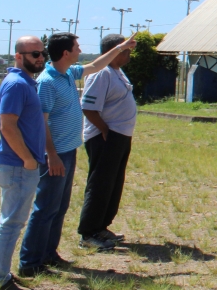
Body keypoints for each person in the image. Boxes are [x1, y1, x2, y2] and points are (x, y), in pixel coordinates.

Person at [19, 33, 136, 274]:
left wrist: (120, 48)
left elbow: (95, 65)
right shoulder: (48, 82)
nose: (80, 50)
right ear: (66, 53)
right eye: (77, 47)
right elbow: (42, 123)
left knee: (59, 207)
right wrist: (51, 155)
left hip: (67, 151)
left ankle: (49, 255)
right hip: (55, 155)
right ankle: (30, 263)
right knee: (45, 207)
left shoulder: (67, 74)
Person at [0, 36, 48, 290]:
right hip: (17, 165)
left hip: (20, 165)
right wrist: (27, 159)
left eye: (42, 53)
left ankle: (0, 273)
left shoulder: (26, 83)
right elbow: (7, 126)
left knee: (12, 221)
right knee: (11, 223)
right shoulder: (16, 84)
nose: (40, 57)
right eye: (34, 53)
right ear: (18, 56)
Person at [77, 34, 138, 251]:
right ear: (115, 50)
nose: (130, 52)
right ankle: (88, 233)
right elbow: (88, 107)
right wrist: (104, 129)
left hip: (120, 135)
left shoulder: (116, 72)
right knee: (100, 184)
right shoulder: (101, 73)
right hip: (104, 138)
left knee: (113, 184)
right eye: (126, 49)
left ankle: (101, 226)